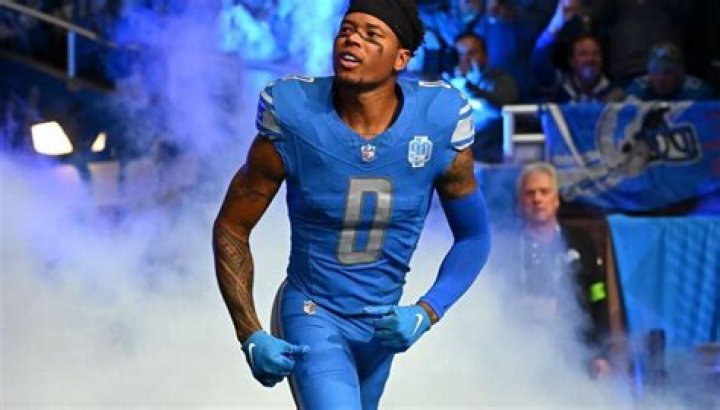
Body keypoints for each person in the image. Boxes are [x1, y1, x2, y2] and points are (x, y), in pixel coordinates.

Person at [212, 1, 492, 408]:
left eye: (371, 34)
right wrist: (249, 333)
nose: (352, 39)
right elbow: (232, 225)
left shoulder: (437, 121)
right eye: (347, 30)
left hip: (380, 329)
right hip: (313, 311)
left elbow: (475, 237)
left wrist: (427, 311)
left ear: (401, 58)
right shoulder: (296, 115)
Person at [489, 162, 611, 377]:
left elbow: (598, 299)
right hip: (518, 353)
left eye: (544, 192)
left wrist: (600, 353)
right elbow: (490, 303)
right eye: (530, 193)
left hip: (575, 352)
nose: (537, 199)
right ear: (520, 203)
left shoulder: (582, 241)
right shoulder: (504, 248)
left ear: (556, 200)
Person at [531, 0, 624, 103]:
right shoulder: (561, 87)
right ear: (572, 61)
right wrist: (557, 22)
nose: (590, 59)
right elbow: (539, 61)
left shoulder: (615, 94)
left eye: (595, 54)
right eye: (583, 54)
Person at [446, 31, 518, 163]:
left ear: (486, 56)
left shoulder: (499, 79)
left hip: (488, 154)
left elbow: (501, 110)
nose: (466, 59)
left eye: (472, 53)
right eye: (460, 54)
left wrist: (467, 86)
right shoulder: (445, 82)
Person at [625, 42, 715, 102]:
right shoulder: (637, 89)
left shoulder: (698, 93)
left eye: (668, 72)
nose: (661, 79)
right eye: (655, 71)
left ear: (679, 73)